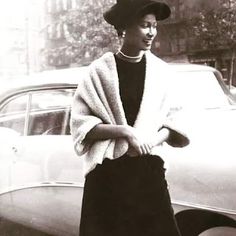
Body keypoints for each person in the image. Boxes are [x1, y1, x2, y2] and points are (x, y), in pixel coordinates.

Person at [70, 0, 189, 235]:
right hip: (108, 176)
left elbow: (176, 120)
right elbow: (80, 125)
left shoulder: (161, 72)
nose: (152, 32)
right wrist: (126, 132)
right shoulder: (98, 71)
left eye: (154, 26)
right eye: (145, 25)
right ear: (125, 27)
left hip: (148, 174)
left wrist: (149, 141)